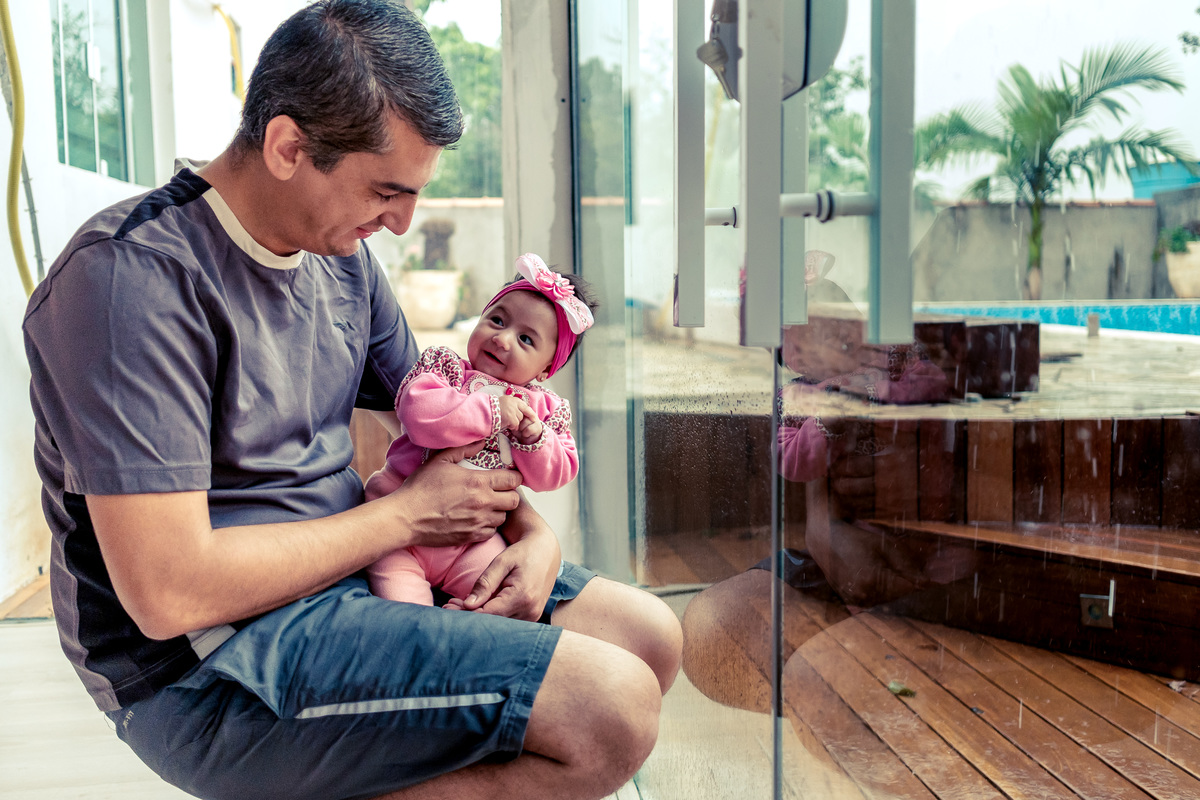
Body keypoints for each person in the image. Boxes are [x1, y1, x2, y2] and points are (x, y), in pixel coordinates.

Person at [22, 3, 681, 800]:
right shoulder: (128, 280)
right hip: (204, 663)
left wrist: (535, 538)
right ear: (288, 146)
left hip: (350, 575)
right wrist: (406, 519)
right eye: (385, 191)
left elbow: (450, 417)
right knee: (608, 707)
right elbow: (169, 593)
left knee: (650, 639)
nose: (401, 225)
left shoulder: (339, 261)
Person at [364, 253, 597, 607]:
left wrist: (536, 440)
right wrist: (491, 411)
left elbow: (556, 473)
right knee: (405, 610)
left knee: (500, 595)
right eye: (497, 320)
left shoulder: (544, 411)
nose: (503, 339)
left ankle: (470, 616)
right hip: (398, 523)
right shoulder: (446, 370)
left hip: (475, 539)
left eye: (526, 339)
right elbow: (418, 414)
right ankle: (424, 622)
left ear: (546, 369)